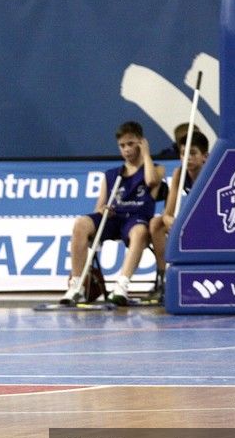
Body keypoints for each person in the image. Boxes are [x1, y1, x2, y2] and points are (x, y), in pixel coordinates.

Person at [61, 121, 164, 306]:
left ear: (141, 142)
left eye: (131, 144)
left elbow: (151, 182)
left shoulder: (156, 169)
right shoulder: (111, 175)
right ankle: (76, 286)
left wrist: (146, 154)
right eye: (122, 145)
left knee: (140, 232)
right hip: (114, 219)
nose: (126, 149)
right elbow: (99, 208)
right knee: (81, 223)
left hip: (136, 219)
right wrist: (103, 211)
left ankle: (121, 286)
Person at [149, 130, 209, 300]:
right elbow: (168, 212)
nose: (187, 158)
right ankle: (163, 279)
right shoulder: (179, 173)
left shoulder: (211, 172)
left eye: (193, 153)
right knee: (156, 224)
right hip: (188, 221)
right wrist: (170, 221)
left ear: (205, 156)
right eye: (183, 153)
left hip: (209, 222)